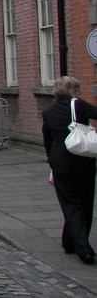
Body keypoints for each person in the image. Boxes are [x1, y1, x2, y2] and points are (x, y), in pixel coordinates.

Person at [42, 76, 97, 265]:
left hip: (60, 164)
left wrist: (52, 163)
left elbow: (47, 141)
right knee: (85, 204)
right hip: (83, 162)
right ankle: (84, 249)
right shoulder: (78, 106)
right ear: (75, 90)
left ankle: (69, 242)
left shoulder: (48, 112)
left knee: (71, 206)